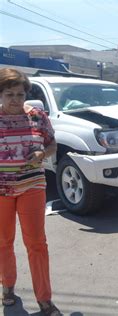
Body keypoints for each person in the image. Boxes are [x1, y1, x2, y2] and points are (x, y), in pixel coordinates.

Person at [0, 68, 60, 315]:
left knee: (37, 243)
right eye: (9, 94)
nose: (15, 99)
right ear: (0, 95)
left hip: (32, 186)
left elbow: (53, 144)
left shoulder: (37, 116)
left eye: (20, 94)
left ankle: (44, 299)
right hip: (1, 189)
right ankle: (8, 286)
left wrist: (42, 154)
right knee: (3, 242)